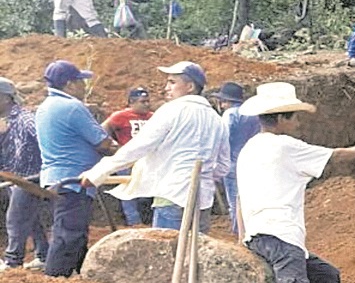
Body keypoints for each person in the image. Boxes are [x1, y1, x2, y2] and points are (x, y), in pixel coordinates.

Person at [236, 83, 355, 283]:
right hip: (280, 235)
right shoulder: (282, 146)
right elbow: (334, 155)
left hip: (261, 235)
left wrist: (242, 235)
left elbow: (239, 198)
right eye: (294, 118)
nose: (298, 124)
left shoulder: (250, 148)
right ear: (281, 118)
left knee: (327, 276)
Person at [80, 61, 229, 233]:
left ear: (189, 87)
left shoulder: (171, 111)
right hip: (202, 202)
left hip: (172, 197)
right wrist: (205, 179)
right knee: (195, 255)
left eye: (172, 82)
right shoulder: (217, 119)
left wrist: (98, 172)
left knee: (165, 255)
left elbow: (138, 147)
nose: (166, 88)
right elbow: (223, 166)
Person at [35, 61, 114, 277]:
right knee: (69, 233)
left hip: (57, 178)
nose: (83, 87)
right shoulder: (72, 107)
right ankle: (55, 277)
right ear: (69, 84)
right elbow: (103, 143)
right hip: (74, 180)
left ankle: (77, 274)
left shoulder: (45, 107)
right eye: (80, 82)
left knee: (72, 231)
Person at [0, 78, 49, 272]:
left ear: (5, 99)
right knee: (31, 219)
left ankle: (12, 261)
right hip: (15, 177)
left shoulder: (25, 118)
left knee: (16, 219)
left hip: (30, 176)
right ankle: (43, 254)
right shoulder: (5, 121)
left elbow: (42, 138)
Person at [101, 87, 154, 226]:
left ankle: (148, 221)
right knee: (128, 192)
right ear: (132, 102)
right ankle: (134, 222)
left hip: (147, 160)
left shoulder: (153, 116)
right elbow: (102, 130)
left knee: (147, 192)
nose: (147, 104)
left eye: (148, 101)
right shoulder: (120, 116)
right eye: (143, 102)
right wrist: (115, 147)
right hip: (128, 161)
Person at [213, 82, 260, 235]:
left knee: (235, 203)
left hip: (233, 164)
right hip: (253, 162)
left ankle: (239, 233)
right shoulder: (254, 114)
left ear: (225, 101)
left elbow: (222, 137)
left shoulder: (230, 114)